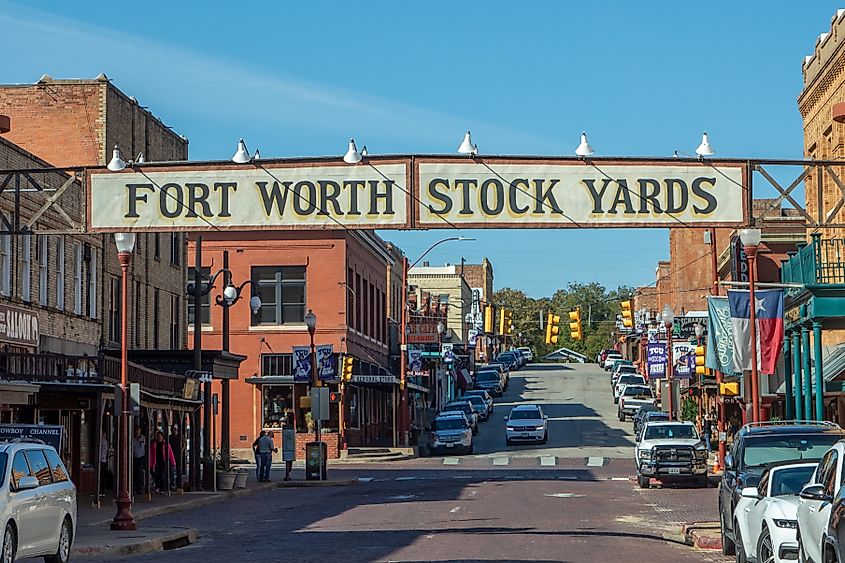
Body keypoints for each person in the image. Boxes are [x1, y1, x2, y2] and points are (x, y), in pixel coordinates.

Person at [169, 423, 185, 490]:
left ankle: (179, 484)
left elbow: (184, 444)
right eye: (173, 429)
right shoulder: (170, 437)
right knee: (171, 470)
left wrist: (181, 451)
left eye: (176, 429)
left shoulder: (180, 436)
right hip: (172, 455)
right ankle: (172, 484)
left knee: (179, 469)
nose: (175, 430)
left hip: (178, 455)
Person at [132, 426, 147, 494]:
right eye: (136, 431)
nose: (137, 432)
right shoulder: (133, 438)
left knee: (139, 472)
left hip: (141, 456)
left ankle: (139, 488)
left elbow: (146, 446)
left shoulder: (143, 438)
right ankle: (134, 487)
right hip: (135, 456)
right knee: (134, 472)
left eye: (138, 431)